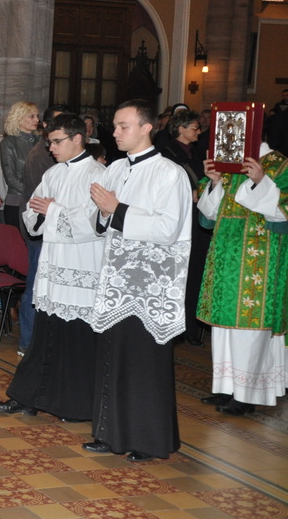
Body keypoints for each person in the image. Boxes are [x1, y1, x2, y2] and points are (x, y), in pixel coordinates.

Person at [84, 99, 191, 463]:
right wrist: (105, 214)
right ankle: (109, 432)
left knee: (144, 362)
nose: (115, 133)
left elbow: (168, 229)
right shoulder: (114, 169)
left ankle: (147, 440)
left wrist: (117, 210)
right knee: (112, 356)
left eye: (123, 126)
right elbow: (100, 224)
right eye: (115, 126)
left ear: (147, 128)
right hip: (117, 280)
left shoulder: (169, 173)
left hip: (150, 285)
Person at [0, 114, 104, 422]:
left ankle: (74, 406)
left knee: (75, 340)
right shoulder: (52, 173)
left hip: (80, 267)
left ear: (77, 139)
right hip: (53, 267)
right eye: (49, 142)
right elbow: (32, 211)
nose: (51, 148)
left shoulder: (98, 174)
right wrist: (41, 214)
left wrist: (53, 210)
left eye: (56, 141)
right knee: (45, 336)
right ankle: (27, 397)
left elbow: (95, 223)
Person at [196, 129, 288, 416]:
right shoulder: (228, 163)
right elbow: (209, 215)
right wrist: (215, 182)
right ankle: (226, 387)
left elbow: (283, 210)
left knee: (249, 328)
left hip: (258, 259)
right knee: (223, 327)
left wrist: (261, 181)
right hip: (225, 256)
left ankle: (247, 394)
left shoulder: (279, 164)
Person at [17, 103, 68, 352]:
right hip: (39, 227)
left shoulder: (54, 154)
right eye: (57, 123)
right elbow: (45, 199)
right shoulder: (41, 155)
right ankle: (27, 342)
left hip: (52, 226)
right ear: (46, 126)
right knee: (34, 285)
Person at [159, 109, 211, 346]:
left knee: (195, 275)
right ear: (180, 129)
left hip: (197, 222)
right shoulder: (166, 154)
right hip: (179, 223)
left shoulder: (196, 153)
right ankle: (177, 326)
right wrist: (188, 193)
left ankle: (191, 326)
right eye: (195, 127)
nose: (199, 131)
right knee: (179, 275)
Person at [0, 101, 40, 228]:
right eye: (31, 116)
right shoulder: (9, 142)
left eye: (37, 116)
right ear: (19, 119)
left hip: (39, 202)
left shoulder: (41, 141)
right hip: (17, 201)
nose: (37, 120)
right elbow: (10, 177)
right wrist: (33, 192)